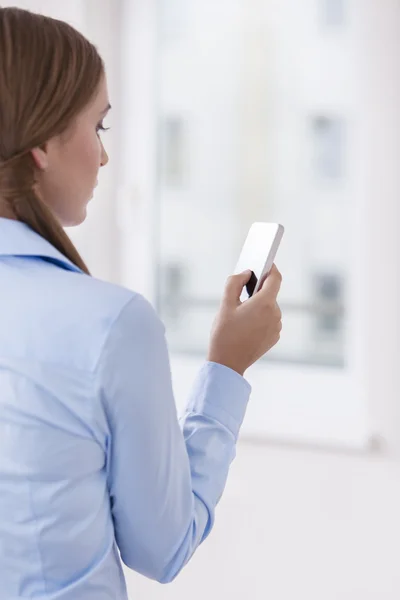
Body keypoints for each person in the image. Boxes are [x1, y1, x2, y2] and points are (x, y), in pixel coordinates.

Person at [0, 7, 283, 600]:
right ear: (44, 144)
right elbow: (164, 546)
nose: (103, 157)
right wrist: (226, 370)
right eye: (97, 128)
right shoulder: (109, 324)